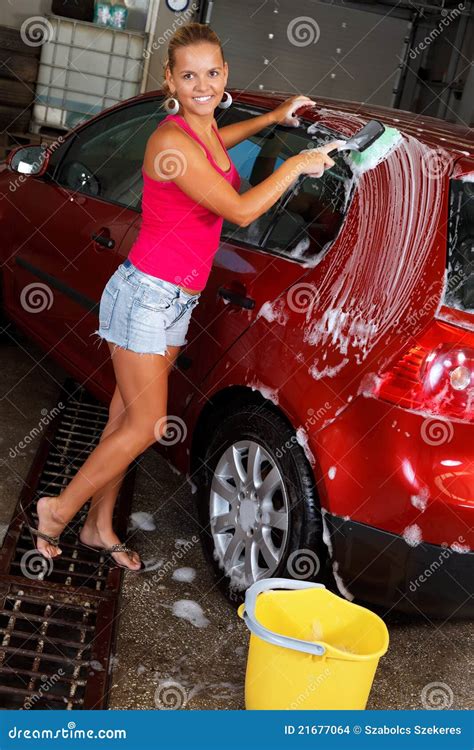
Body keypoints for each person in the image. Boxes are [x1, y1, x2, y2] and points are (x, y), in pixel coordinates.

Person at [27, 22, 342, 570]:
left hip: (174, 300)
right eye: (190, 75)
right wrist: (296, 164)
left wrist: (271, 120)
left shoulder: (202, 130)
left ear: (226, 75)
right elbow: (241, 210)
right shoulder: (171, 140)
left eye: (213, 73)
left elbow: (221, 145)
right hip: (145, 297)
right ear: (169, 78)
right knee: (148, 425)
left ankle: (99, 527)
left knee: (124, 417)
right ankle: (57, 510)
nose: (203, 84)